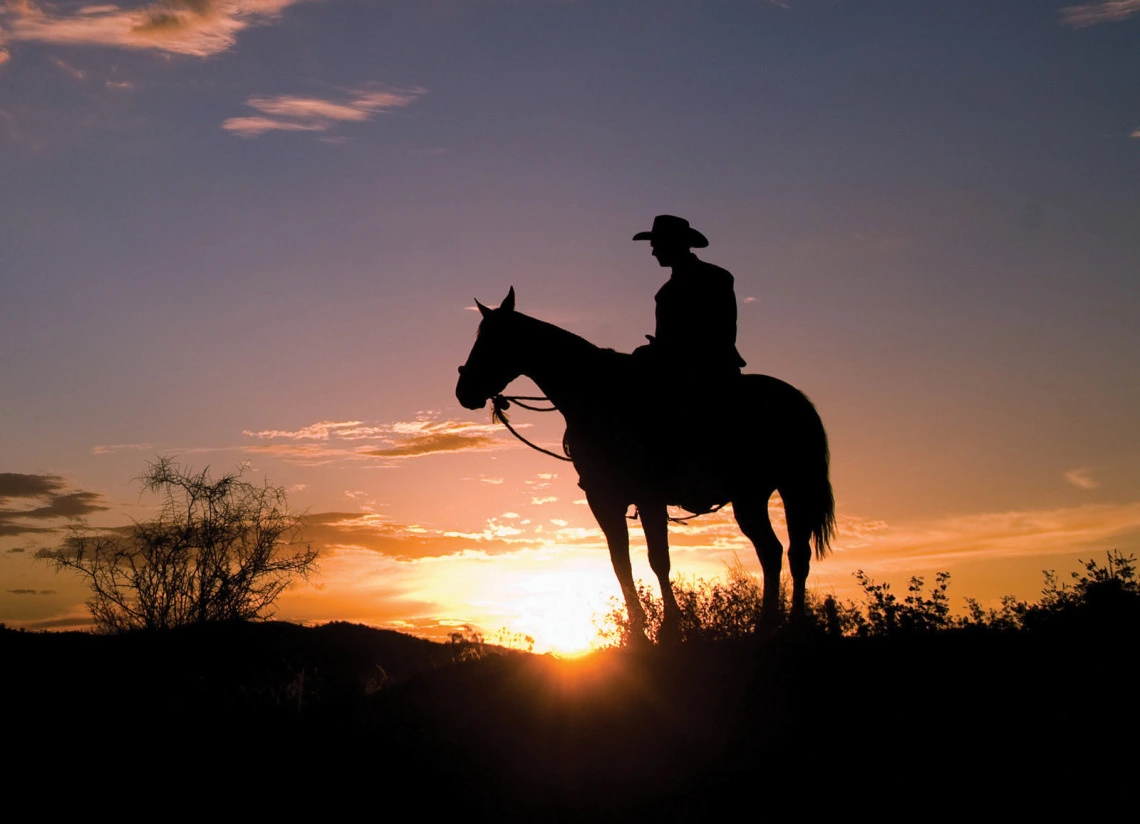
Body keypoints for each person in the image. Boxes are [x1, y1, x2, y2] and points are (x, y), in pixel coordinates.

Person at [632, 214, 746, 379]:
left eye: (656, 245)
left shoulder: (714, 277)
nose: (653, 253)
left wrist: (668, 348)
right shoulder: (668, 289)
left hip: (706, 365)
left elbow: (719, 328)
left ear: (672, 244)